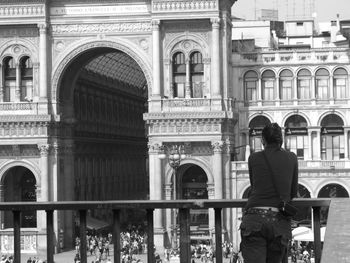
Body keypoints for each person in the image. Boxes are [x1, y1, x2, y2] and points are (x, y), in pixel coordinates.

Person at [240, 123, 299, 263]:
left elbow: (254, 186)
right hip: (278, 221)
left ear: (263, 140)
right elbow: (292, 192)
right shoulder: (292, 158)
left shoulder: (253, 158)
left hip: (254, 219)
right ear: (281, 140)